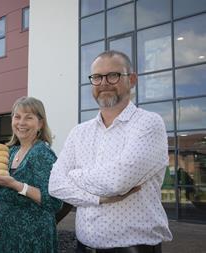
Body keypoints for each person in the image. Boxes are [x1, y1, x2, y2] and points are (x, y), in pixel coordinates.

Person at [49, 50, 172, 253]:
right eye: (97, 77)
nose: (104, 83)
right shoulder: (79, 132)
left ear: (132, 80)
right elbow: (55, 185)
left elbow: (118, 181)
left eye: (113, 75)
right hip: (83, 247)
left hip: (133, 249)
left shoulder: (148, 123)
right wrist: (98, 198)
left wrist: (74, 175)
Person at [0, 96, 62, 253]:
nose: (21, 122)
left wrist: (15, 184)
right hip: (3, 234)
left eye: (28, 118)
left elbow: (54, 202)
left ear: (40, 123)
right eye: (17, 117)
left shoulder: (42, 154)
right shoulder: (9, 152)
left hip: (31, 237)